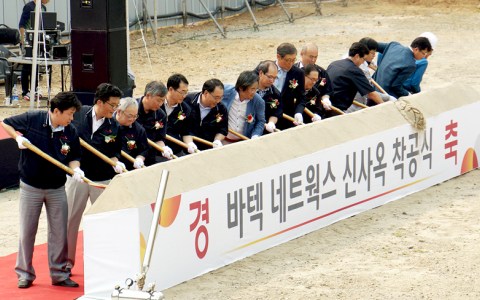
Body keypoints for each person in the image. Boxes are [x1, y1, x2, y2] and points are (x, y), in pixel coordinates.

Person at [1, 92, 82, 288]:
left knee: (59, 232)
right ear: (56, 111)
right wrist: (17, 138)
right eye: (69, 113)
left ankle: (59, 274)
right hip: (31, 186)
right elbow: (5, 122)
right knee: (27, 231)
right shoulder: (33, 119)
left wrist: (76, 168)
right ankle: (25, 274)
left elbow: (74, 155)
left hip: (56, 187)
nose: (72, 118)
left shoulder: (70, 131)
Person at [65, 83, 125, 274]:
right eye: (113, 105)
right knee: (71, 220)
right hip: (77, 177)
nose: (115, 109)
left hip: (101, 180)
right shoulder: (78, 116)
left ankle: (104, 261)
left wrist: (116, 163)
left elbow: (114, 153)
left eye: (117, 106)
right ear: (100, 102)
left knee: (104, 220)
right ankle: (66, 262)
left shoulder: (114, 125)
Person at [327, 42, 384, 112]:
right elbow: (371, 93)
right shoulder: (355, 70)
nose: (363, 63)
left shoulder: (333, 64)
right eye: (363, 59)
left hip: (325, 103)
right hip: (337, 109)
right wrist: (384, 106)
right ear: (357, 56)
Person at [341, 37, 393, 111]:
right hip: (355, 106)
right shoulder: (362, 69)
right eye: (372, 53)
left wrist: (367, 62)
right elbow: (369, 93)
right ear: (365, 51)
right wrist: (388, 98)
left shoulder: (346, 56)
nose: (374, 56)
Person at [221, 71, 265, 144]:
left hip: (243, 142)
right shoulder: (225, 91)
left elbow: (260, 121)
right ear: (241, 88)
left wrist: (256, 135)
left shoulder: (258, 101)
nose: (254, 92)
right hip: (223, 140)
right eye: (252, 89)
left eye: (256, 89)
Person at [18, 0, 50, 100]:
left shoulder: (43, 8)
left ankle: (35, 89)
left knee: (35, 66)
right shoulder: (29, 7)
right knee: (26, 66)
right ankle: (25, 91)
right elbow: (22, 24)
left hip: (38, 40)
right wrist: (23, 39)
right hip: (28, 40)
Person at [184, 79, 228, 150]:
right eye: (216, 97)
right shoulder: (187, 101)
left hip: (208, 148)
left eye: (221, 97)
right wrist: (189, 143)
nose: (218, 101)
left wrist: (217, 140)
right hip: (187, 146)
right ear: (206, 93)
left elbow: (223, 129)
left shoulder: (221, 108)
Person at [136, 81, 173, 165]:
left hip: (149, 157)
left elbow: (159, 139)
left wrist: (164, 149)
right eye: (158, 100)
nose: (160, 104)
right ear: (148, 96)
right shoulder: (131, 110)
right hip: (130, 155)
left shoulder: (161, 115)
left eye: (163, 101)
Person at [272, 43, 306, 130]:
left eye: (293, 60)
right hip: (267, 114)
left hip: (286, 116)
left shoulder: (298, 73)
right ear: (278, 57)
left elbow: (301, 97)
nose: (291, 64)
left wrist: (298, 112)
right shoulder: (265, 68)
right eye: (288, 60)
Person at [161, 74, 194, 156]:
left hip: (175, 151)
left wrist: (190, 144)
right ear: (171, 89)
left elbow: (186, 132)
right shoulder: (157, 104)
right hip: (156, 151)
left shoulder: (185, 109)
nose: (184, 96)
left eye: (186, 92)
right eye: (182, 92)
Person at [294, 42, 334, 112]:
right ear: (302, 54)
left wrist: (326, 99)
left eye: (315, 57)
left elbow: (327, 90)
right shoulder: (293, 71)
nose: (313, 60)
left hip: (315, 109)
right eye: (311, 56)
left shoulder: (322, 72)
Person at [115, 97, 149, 170]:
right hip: (110, 166)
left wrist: (139, 159)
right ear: (118, 111)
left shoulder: (139, 129)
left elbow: (144, 149)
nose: (133, 119)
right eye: (130, 116)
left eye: (135, 116)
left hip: (129, 168)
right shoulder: (107, 124)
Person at [256, 61, 282, 134]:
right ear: (261, 73)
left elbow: (275, 114)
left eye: (274, 78)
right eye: (269, 77)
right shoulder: (250, 88)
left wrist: (271, 123)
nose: (272, 81)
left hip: (264, 129)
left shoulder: (276, 94)